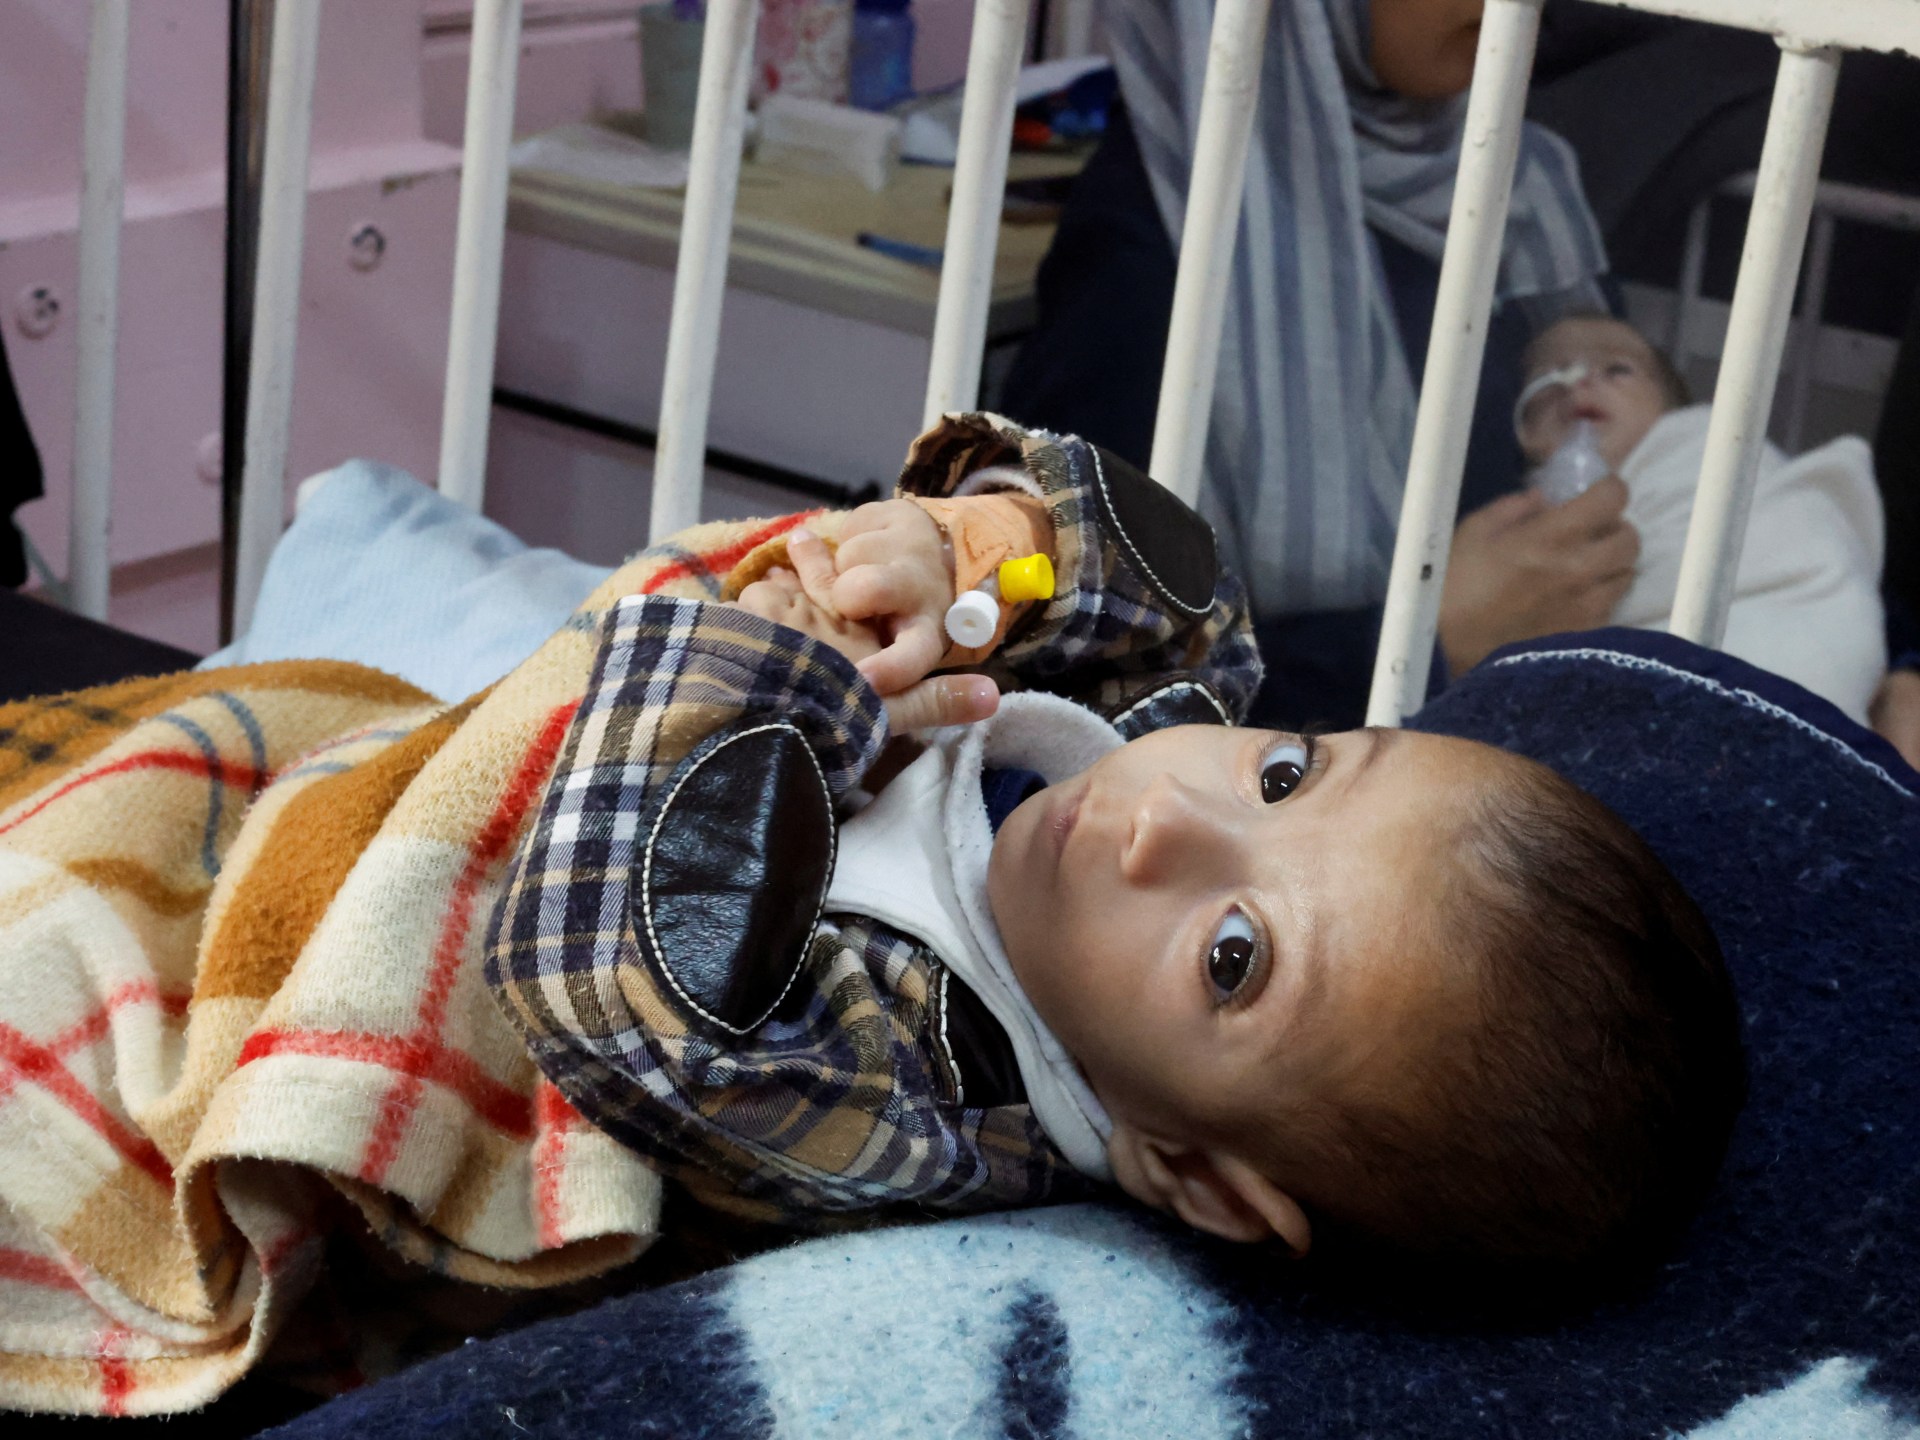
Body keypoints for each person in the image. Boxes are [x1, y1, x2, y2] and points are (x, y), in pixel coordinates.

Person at [488, 413, 1746, 1276]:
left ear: (1196, 1176)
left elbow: (625, 989)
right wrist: (972, 551)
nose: (1165, 819)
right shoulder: (1145, 745)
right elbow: (1189, 601)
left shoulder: (925, 1090)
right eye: (1289, 775)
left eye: (1234, 958)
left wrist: (775, 673)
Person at [1000, 0, 1628, 729]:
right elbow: (1084, 689)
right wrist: (1424, 643)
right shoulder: (1149, 261)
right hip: (1306, 768)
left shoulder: (1528, 185)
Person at [1510, 312, 1887, 726]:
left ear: (1669, 408)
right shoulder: (1513, 516)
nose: (1578, 382)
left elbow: (1811, 551)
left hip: (1790, 652)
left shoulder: (1699, 448)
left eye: (1617, 369)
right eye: (1551, 376)